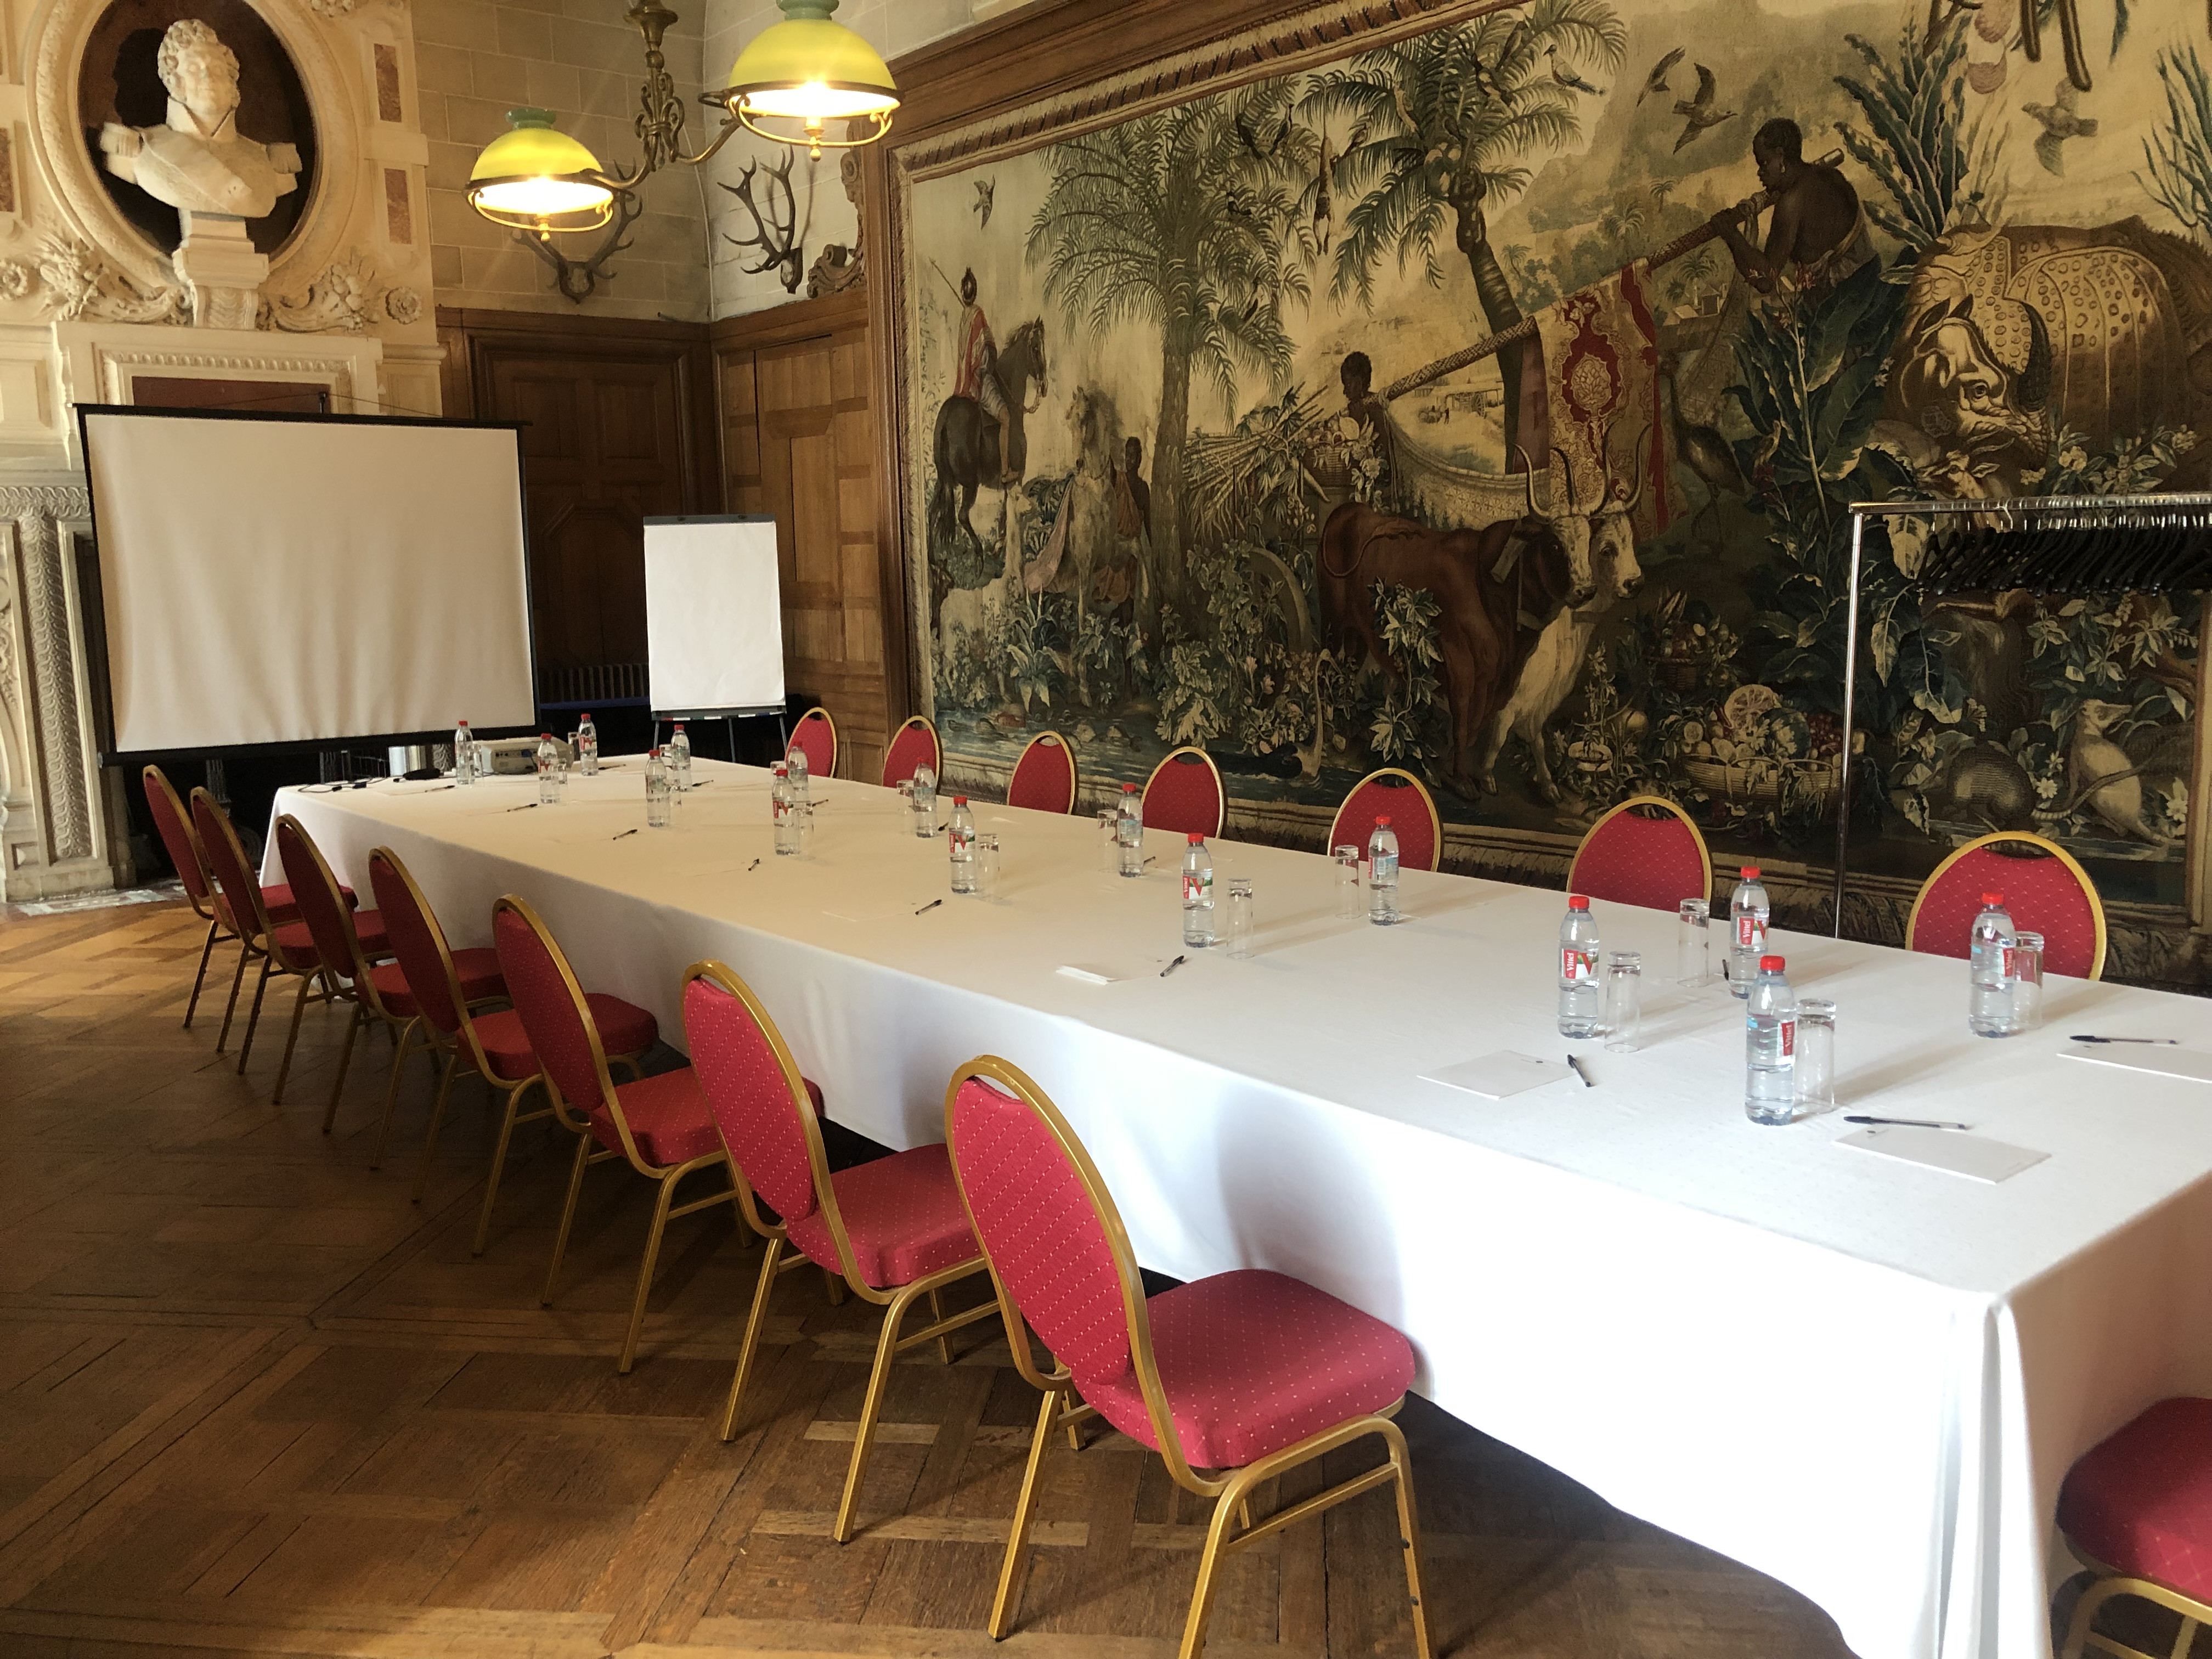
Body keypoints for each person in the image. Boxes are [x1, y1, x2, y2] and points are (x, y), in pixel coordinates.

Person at [99, 20, 301, 221]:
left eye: (217, 70)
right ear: (174, 82)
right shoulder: (140, 151)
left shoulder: (270, 162)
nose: (207, 77)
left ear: (232, 84)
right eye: (194, 69)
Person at [1707, 119, 1869, 298]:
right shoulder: (1830, 175)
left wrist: (1731, 234)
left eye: (1764, 163)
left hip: (1846, 296)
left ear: (1781, 157)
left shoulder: (1791, 203)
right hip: (1869, 275)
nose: (1760, 172)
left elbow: (1765, 280)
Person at [953, 268, 1011, 479]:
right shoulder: (977, 314)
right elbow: (987, 351)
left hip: (963, 381)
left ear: (963, 294)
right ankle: (1005, 471)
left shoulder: (964, 316)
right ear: (974, 293)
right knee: (1006, 418)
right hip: (979, 380)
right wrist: (990, 363)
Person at [1338, 351, 1396, 501]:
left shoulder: (1375, 408)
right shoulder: (1353, 408)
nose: (1345, 391)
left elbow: (1384, 456)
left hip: (1377, 488)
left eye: (1348, 384)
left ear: (1358, 383)